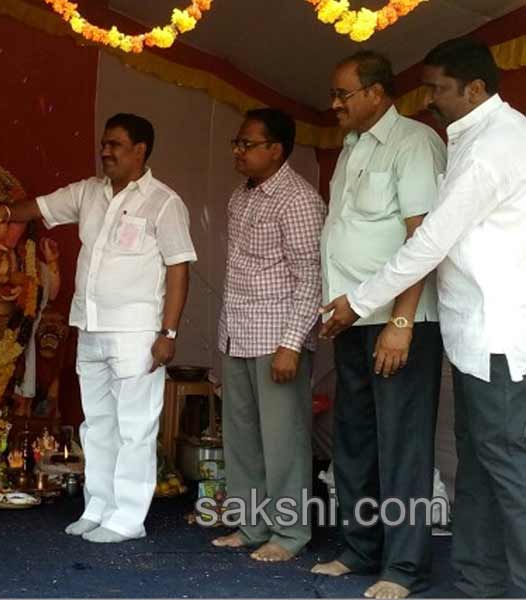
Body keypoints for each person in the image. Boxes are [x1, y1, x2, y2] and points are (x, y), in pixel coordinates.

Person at [321, 37, 526, 599]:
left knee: (505, 469)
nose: (428, 99)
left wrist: (372, 307)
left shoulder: (491, 145)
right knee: (479, 467)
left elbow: (428, 241)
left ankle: (477, 579)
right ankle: (480, 583)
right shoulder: (471, 138)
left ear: (476, 88)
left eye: (436, 88)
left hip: (494, 332)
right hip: (467, 336)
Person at [0, 113, 197, 543]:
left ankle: (128, 518)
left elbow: (179, 269)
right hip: (89, 327)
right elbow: (36, 207)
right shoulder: (89, 192)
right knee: (98, 423)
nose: (105, 151)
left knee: (135, 425)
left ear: (140, 150)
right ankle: (99, 506)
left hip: (137, 332)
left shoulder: (164, 202)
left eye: (115, 145)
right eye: (103, 144)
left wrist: (169, 334)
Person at [311, 51, 447, 600]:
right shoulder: (350, 148)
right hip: (352, 319)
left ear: (377, 93)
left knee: (403, 446)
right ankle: (361, 549)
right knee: (356, 439)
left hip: (399, 322)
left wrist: (400, 320)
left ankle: (405, 567)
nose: (334, 103)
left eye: (344, 94)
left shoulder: (414, 143)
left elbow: (423, 240)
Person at [211, 109, 325, 562]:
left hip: (279, 340)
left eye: (246, 144)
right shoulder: (240, 196)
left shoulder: (298, 200)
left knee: (284, 441)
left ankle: (291, 533)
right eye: (237, 143)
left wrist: (292, 344)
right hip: (237, 333)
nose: (237, 151)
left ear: (275, 149)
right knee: (241, 437)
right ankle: (252, 524)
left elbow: (310, 278)